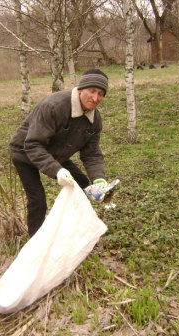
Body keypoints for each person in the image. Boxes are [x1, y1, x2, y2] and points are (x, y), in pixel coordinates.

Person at [9, 69, 109, 237]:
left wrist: (98, 178)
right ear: (80, 89)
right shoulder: (53, 106)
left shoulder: (94, 120)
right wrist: (57, 170)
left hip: (54, 152)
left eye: (101, 94)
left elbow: (91, 154)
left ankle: (75, 232)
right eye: (92, 91)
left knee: (84, 184)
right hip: (25, 151)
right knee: (37, 200)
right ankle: (36, 245)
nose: (95, 98)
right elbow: (33, 144)